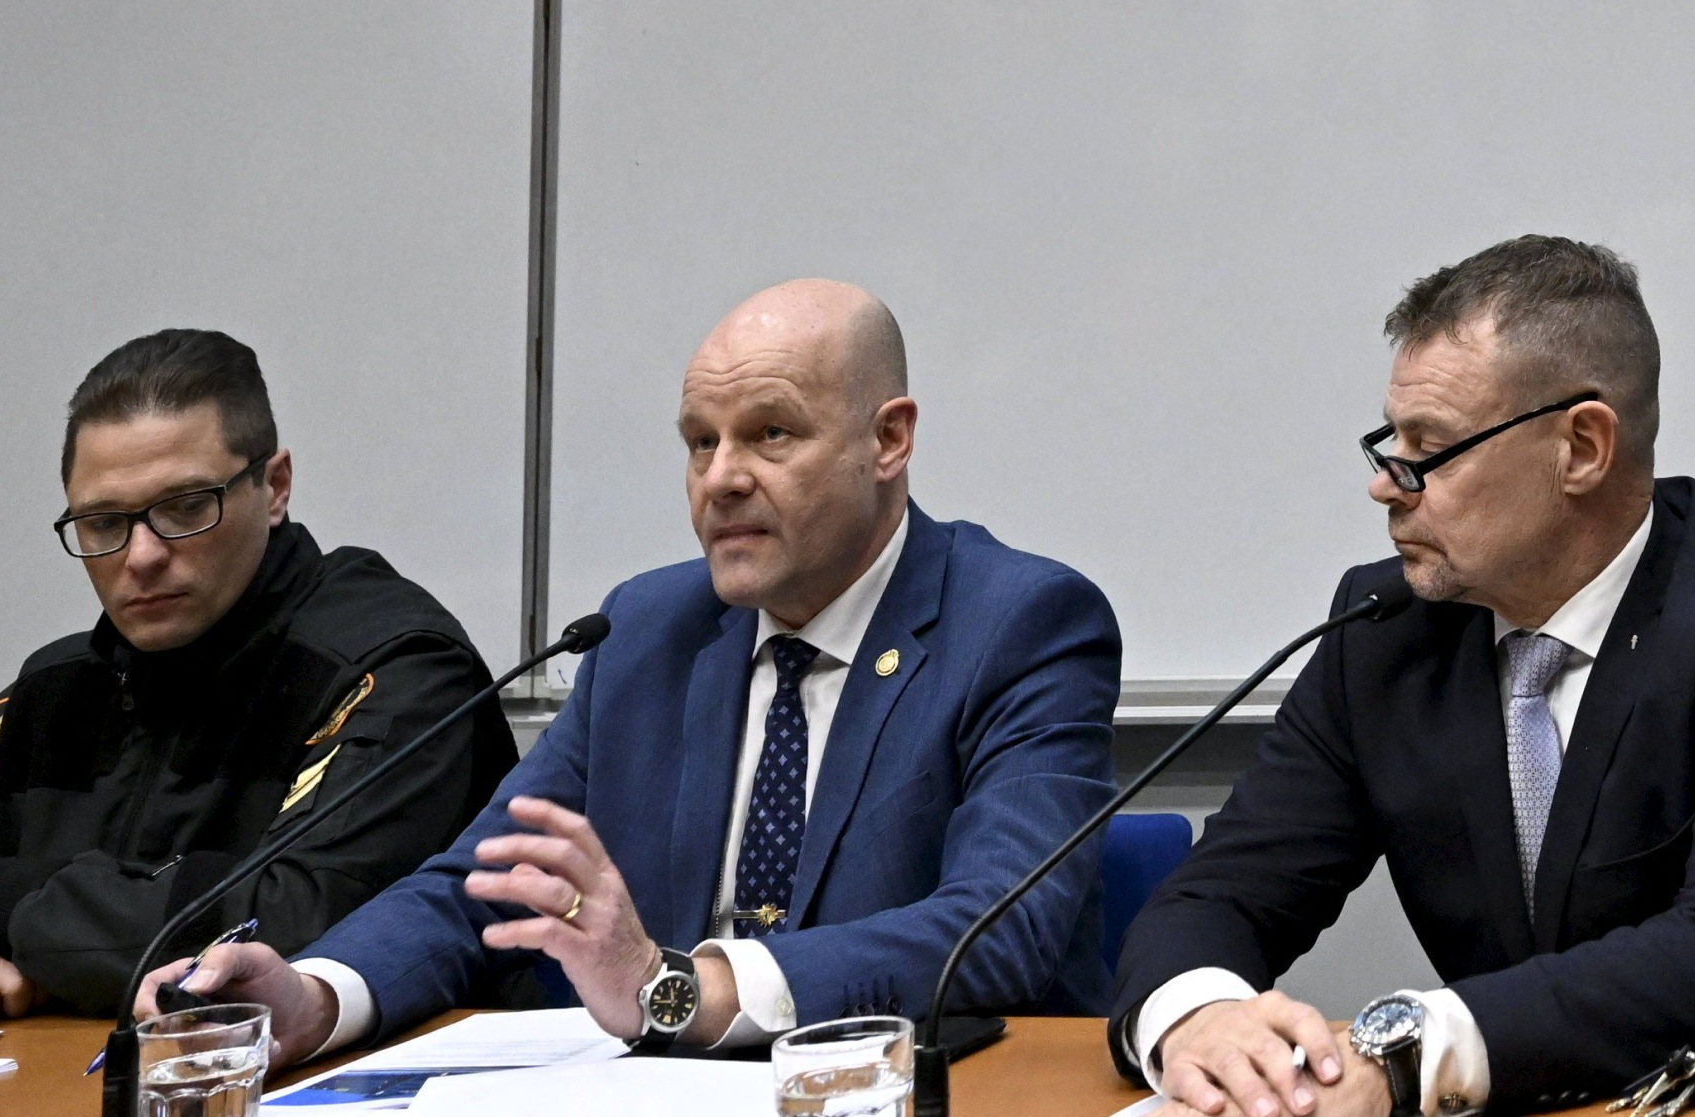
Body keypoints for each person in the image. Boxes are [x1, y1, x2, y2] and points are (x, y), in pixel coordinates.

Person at [175, 279, 1120, 1064]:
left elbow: (999, 929)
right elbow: (489, 882)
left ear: (889, 439)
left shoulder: (1020, 623)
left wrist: (685, 987)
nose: (721, 477)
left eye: (771, 434)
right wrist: (313, 994)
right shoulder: (646, 629)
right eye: (701, 440)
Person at [1113, 238, 1695, 1117]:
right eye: (1390, 442)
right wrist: (1198, 1016)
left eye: (1428, 451)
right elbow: (1226, 890)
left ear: (1580, 446)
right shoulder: (1385, 630)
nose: (1388, 487)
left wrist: (1408, 1054)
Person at [0, 329, 507, 1017]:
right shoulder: (57, 690)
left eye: (188, 506)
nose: (143, 555)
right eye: (103, 521)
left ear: (276, 486)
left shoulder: (391, 661)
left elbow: (306, 915)